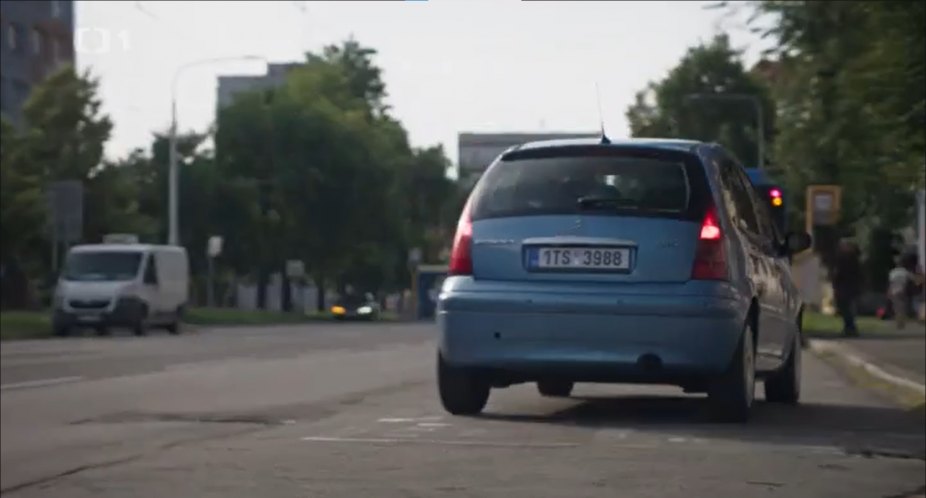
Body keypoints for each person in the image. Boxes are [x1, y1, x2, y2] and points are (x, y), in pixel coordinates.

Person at [831, 240, 863, 336]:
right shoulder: (854, 259)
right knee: (846, 308)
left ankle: (850, 328)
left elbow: (838, 272)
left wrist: (835, 281)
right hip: (849, 286)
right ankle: (849, 327)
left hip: (844, 287)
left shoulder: (845, 259)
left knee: (845, 308)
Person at [888, 257, 913, 330]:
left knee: (896, 307)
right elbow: (912, 279)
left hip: (894, 291)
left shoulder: (893, 272)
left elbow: (891, 283)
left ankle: (898, 321)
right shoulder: (905, 271)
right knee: (903, 307)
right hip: (903, 290)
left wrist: (889, 291)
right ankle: (901, 321)